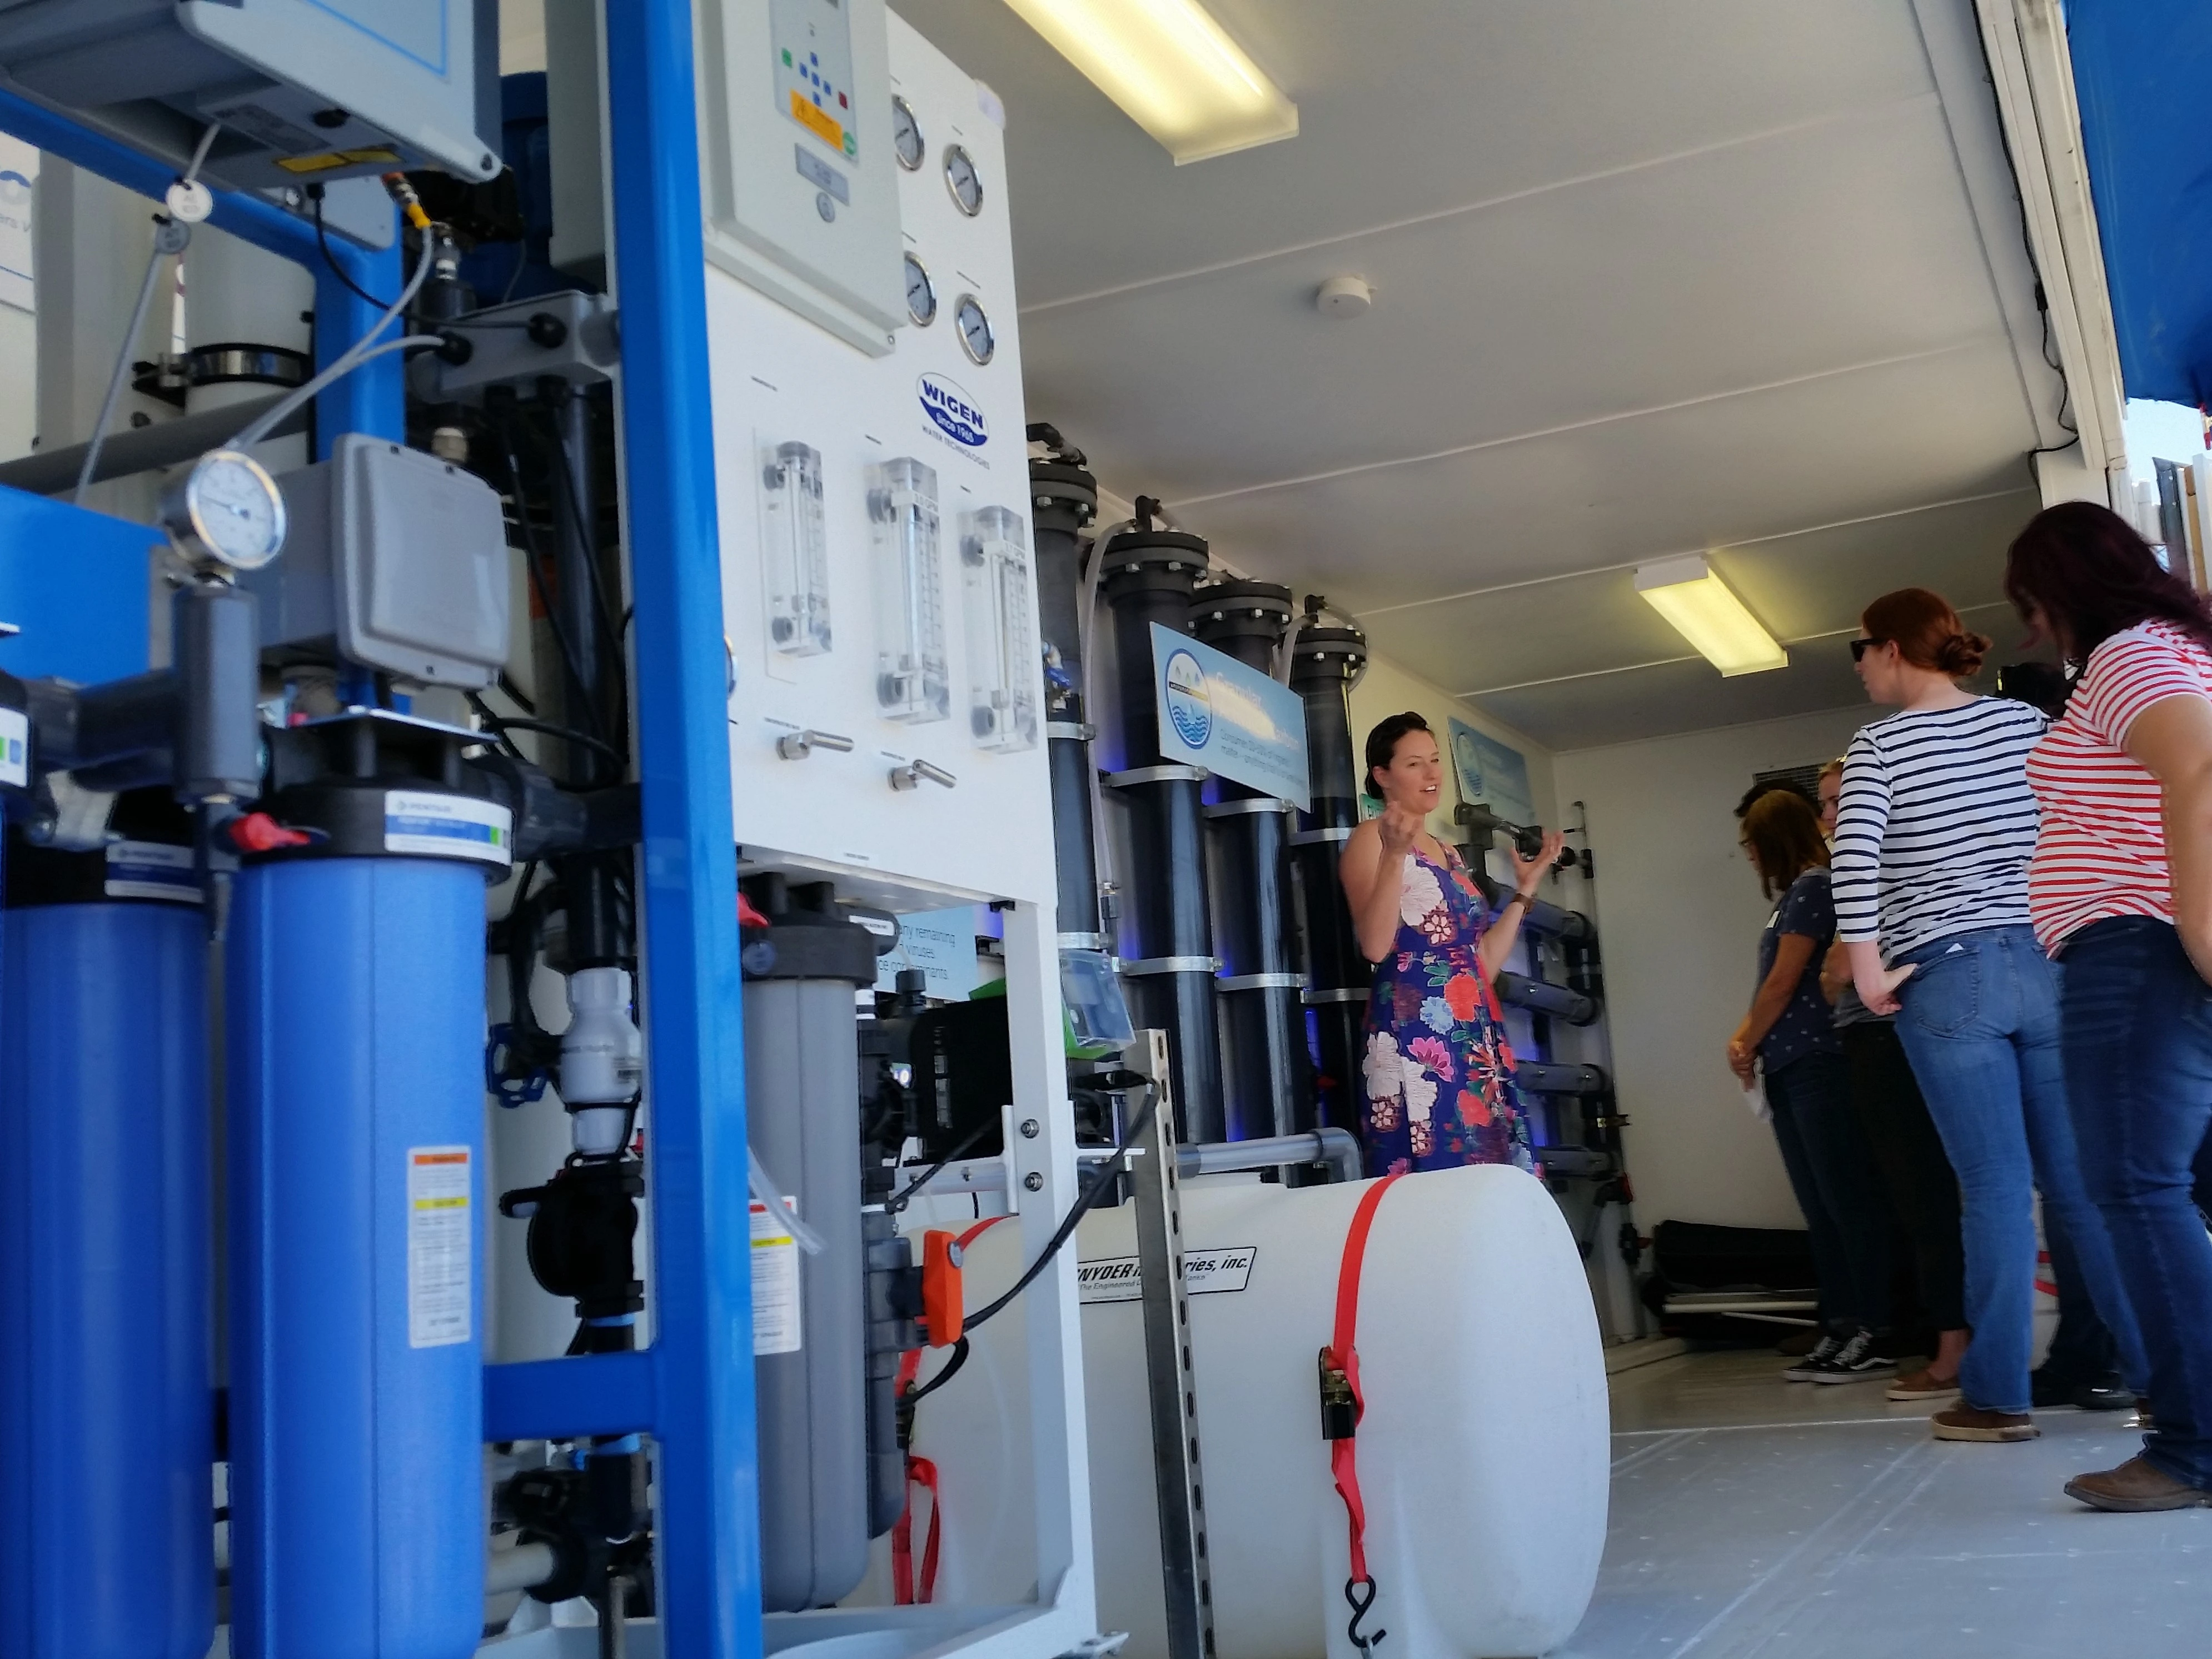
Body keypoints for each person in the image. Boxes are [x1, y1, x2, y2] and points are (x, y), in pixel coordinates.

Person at [1836, 587, 2146, 1443]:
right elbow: (2077, 824)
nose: (1858, 668)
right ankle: (2162, 1382)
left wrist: (1866, 973)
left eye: (1860, 649)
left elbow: (1854, 862)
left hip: (1948, 975)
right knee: (2081, 1187)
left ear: (1891, 648)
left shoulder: (1878, 745)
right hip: (2046, 967)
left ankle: (1999, 1398)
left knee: (1995, 1190)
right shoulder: (2023, 724)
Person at [2005, 501, 2212, 1509]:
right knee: (2181, 1187)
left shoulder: (2129, 654)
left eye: (2030, 605)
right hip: (2160, 948)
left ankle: (2193, 1450)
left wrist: (2199, 925)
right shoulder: (2186, 649)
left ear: (2056, 593)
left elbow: (2199, 764)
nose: (2033, 628)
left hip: (2138, 948)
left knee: (2135, 1187)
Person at [1341, 711, 1561, 1175]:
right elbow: (1375, 946)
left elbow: (1481, 962)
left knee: (1489, 1168)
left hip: (1473, 1026)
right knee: (1434, 1165)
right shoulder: (1369, 839)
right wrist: (1395, 853)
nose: (1432, 773)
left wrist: (1525, 891)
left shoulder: (1450, 852)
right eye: (1414, 763)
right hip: (1415, 1027)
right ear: (1383, 775)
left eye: (1436, 760)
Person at [1812, 759, 1969, 1401]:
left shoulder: (1879, 868)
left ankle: (1953, 1352)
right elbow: (1833, 976)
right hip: (1882, 1038)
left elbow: (1838, 972)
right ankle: (1954, 1343)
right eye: (1823, 804)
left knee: (1925, 1194)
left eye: (1835, 800)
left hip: (1890, 1037)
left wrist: (1843, 970)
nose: (1826, 815)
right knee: (1925, 1195)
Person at [1729, 789, 1896, 1383]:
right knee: (1821, 1208)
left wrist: (1744, 1042)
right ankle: (1841, 1324)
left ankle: (1874, 1327)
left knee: (1846, 1202)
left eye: (1751, 842)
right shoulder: (1792, 899)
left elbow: (1782, 981)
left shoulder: (1814, 887)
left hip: (1818, 1063)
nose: (1749, 854)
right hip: (1790, 1067)